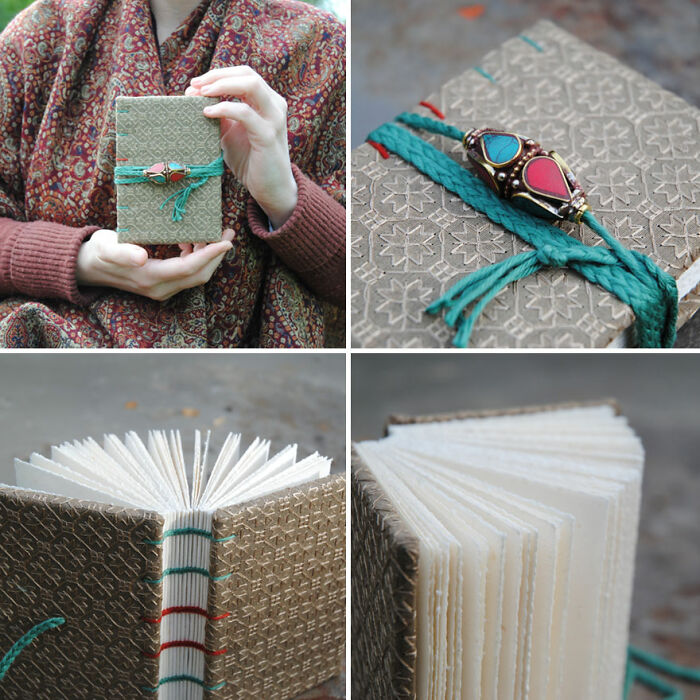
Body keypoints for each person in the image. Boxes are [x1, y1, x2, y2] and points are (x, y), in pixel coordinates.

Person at [0, 0, 345, 347]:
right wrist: (79, 260)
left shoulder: (324, 49)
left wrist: (284, 199)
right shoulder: (36, 39)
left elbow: (372, 277)